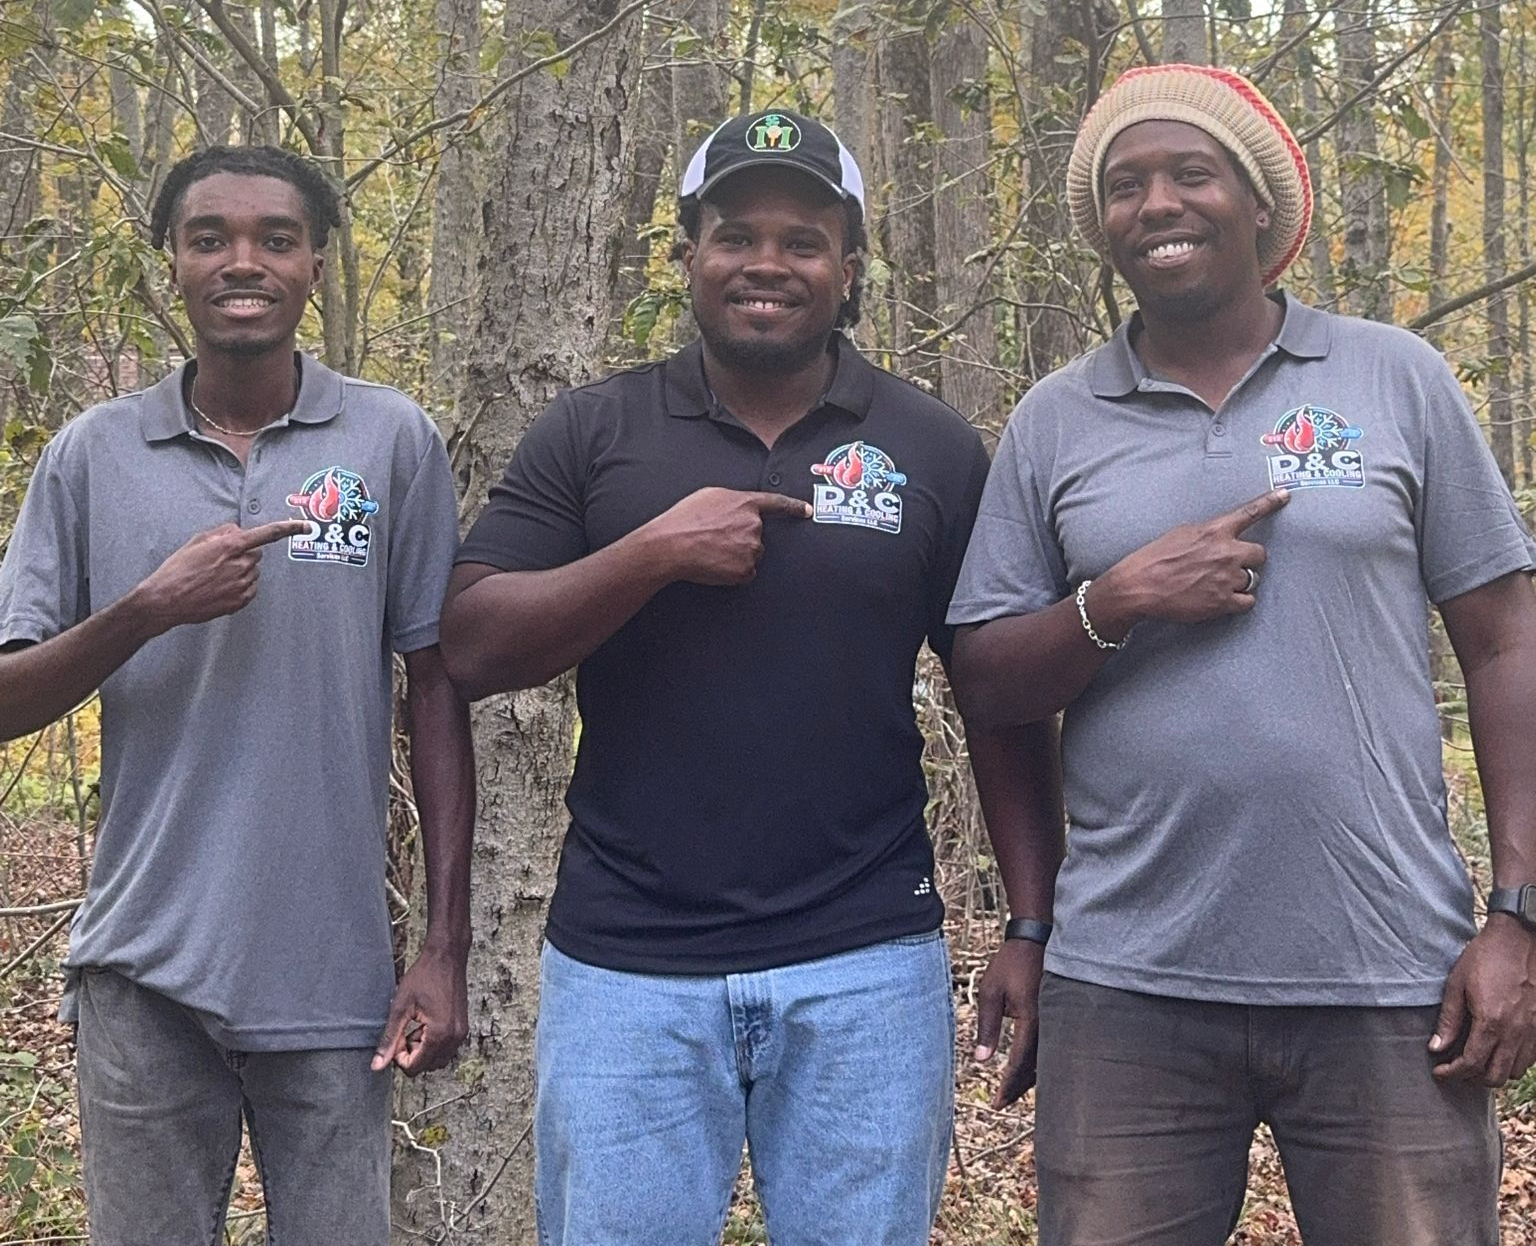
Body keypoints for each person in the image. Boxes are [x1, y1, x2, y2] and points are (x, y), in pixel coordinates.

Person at [440, 108, 1053, 1245]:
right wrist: (650, 554)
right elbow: (468, 641)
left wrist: (1030, 920)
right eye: (734, 234)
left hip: (868, 960)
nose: (766, 262)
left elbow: (998, 697)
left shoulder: (930, 446)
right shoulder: (594, 432)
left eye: (803, 239)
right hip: (628, 967)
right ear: (688, 257)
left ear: (850, 268)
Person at [947, 64, 1536, 1246]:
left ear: (1257, 204)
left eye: (1189, 174)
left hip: (1386, 972)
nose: (1156, 202)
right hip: (1127, 983)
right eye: (1125, 186)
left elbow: (1505, 637)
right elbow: (989, 679)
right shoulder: (1056, 421)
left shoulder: (1396, 380)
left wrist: (1518, 910)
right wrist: (1116, 599)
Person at [0, 145, 475, 1246]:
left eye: (275, 237)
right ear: (171, 261)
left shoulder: (391, 440)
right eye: (208, 237)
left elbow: (438, 687)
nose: (241, 261)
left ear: (316, 263)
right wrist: (148, 607)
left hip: (333, 979)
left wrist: (443, 944)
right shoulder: (90, 456)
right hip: (140, 978)